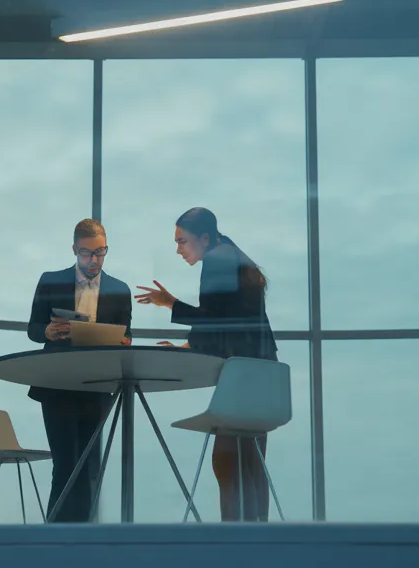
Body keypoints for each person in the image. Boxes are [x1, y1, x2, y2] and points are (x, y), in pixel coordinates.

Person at [134, 207, 277, 522]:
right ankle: (257, 542)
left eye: (182, 241)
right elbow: (225, 321)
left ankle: (231, 545)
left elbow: (213, 320)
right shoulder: (235, 258)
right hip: (264, 376)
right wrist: (189, 343)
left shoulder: (217, 260)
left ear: (205, 237)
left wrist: (170, 303)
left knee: (226, 462)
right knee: (251, 465)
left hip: (244, 377)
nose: (178, 249)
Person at [26, 218, 132, 522]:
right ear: (74, 249)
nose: (94, 260)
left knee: (90, 469)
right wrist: (47, 331)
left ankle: (84, 541)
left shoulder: (119, 289)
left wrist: (124, 342)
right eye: (87, 253)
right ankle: (55, 541)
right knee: (64, 466)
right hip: (56, 383)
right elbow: (33, 328)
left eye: (101, 252)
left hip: (96, 385)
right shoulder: (51, 280)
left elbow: (127, 334)